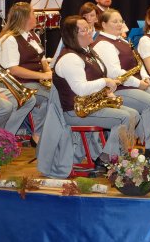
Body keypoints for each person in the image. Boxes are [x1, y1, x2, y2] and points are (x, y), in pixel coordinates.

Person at [53, 15, 138, 170]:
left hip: (92, 105)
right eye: (85, 29)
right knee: (124, 117)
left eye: (89, 28)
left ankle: (115, 156)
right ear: (74, 34)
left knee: (134, 114)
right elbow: (80, 89)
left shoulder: (88, 52)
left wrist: (107, 92)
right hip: (76, 112)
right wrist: (105, 82)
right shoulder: (70, 58)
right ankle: (107, 159)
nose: (90, 31)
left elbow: (95, 80)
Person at [92, 9, 150, 152]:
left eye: (121, 21)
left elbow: (138, 63)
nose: (119, 24)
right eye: (115, 21)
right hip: (118, 89)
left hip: (132, 85)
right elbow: (115, 73)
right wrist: (138, 83)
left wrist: (145, 77)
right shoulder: (104, 44)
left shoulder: (121, 40)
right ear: (104, 24)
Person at [0, 2, 52, 143]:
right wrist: (43, 76)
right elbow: (13, 69)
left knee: (57, 93)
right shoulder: (9, 39)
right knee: (52, 97)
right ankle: (38, 135)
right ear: (25, 18)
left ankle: (41, 134)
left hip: (35, 84)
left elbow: (43, 60)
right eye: (33, 13)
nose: (36, 16)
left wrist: (50, 74)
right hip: (18, 85)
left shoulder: (33, 36)